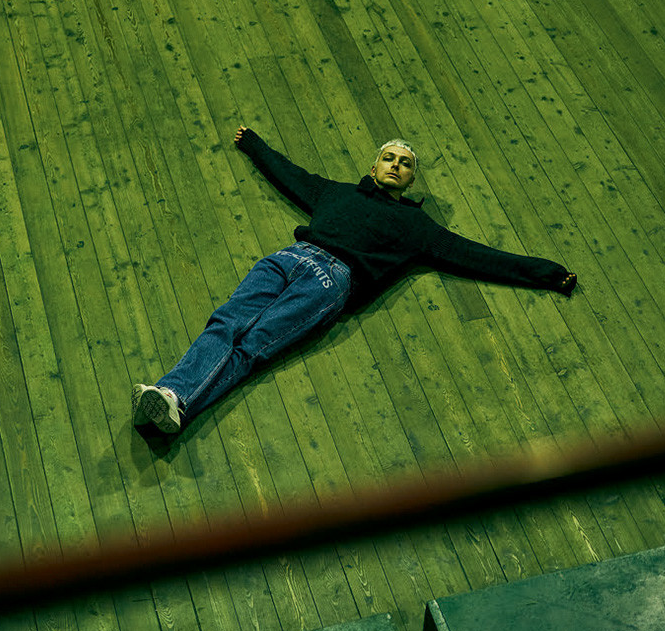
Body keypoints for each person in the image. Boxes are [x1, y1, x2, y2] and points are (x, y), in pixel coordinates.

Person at [132, 127, 576, 434]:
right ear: (375, 164)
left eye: (405, 164)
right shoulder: (337, 192)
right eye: (389, 158)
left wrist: (549, 274)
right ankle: (172, 397)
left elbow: (478, 256)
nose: (396, 166)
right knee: (225, 323)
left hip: (329, 282)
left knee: (252, 346)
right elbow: (291, 175)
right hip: (286, 259)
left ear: (411, 179)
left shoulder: (418, 228)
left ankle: (175, 398)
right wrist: (253, 143)